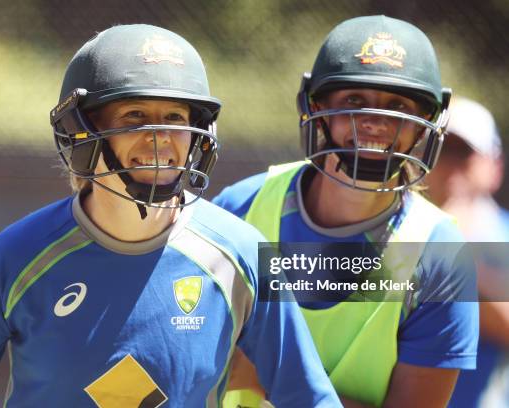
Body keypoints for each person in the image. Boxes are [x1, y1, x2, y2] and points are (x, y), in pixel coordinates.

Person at [0, 25, 340, 407]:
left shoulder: (238, 253)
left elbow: (308, 396)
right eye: (135, 116)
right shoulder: (16, 257)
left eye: (175, 117)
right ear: (81, 132)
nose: (161, 137)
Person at [215, 15, 479, 408]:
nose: (374, 121)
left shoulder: (439, 251)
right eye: (354, 100)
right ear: (317, 106)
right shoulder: (242, 207)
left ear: (426, 122)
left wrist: (274, 377)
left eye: (398, 105)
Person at [426, 96, 509, 408]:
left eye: (463, 152)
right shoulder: (399, 236)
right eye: (440, 150)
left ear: (494, 167)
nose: (449, 165)